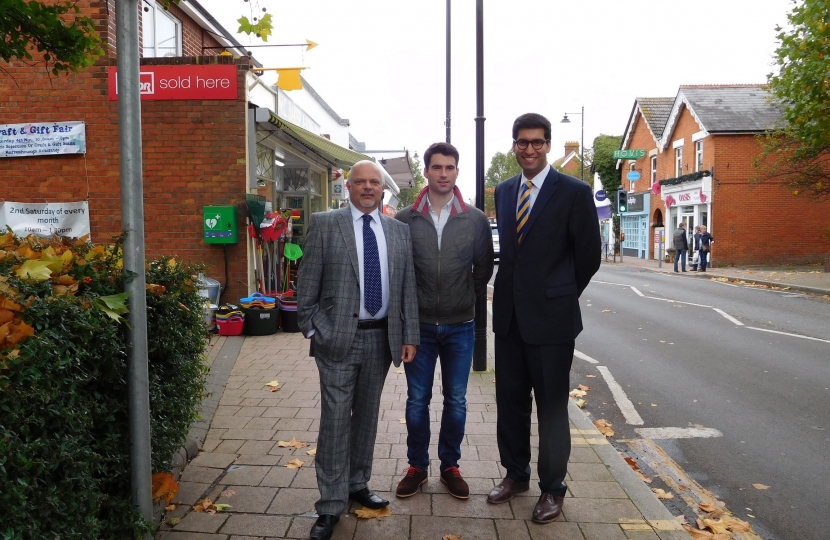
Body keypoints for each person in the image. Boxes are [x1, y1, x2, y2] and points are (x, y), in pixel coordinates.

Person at [297, 160, 420, 540]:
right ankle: (330, 506)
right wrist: (315, 328)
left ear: (383, 189)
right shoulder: (324, 224)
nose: (368, 188)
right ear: (347, 187)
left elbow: (406, 288)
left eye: (374, 183)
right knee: (335, 421)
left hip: (381, 339)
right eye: (360, 182)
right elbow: (306, 286)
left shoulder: (398, 232)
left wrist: (409, 335)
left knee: (367, 416)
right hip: (337, 339)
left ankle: (357, 484)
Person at [488, 113, 601, 523]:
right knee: (510, 404)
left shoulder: (573, 191)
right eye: (522, 142)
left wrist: (559, 294)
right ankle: (515, 475)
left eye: (537, 142)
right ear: (514, 145)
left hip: (552, 322)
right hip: (510, 320)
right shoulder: (503, 191)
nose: (530, 149)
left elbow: (589, 256)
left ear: (549, 145)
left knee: (552, 408)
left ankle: (552, 489)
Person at [394, 142, 494, 500]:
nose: (443, 174)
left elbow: (483, 269)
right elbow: (399, 273)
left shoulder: (475, 219)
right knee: (417, 400)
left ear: (456, 171)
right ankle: (417, 467)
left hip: (460, 326)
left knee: (456, 400)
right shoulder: (406, 219)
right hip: (418, 327)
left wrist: (463, 298)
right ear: (427, 171)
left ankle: (450, 465)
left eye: (450, 168)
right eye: (437, 167)